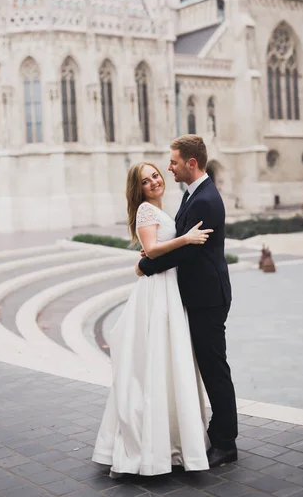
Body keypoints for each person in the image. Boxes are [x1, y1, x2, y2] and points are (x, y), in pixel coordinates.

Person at [92, 162, 213, 477]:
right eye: (146, 181)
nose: (154, 182)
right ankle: (150, 445)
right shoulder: (146, 211)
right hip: (157, 290)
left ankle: (171, 438)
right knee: (156, 361)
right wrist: (185, 239)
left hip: (167, 286)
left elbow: (150, 252)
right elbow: (152, 248)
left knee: (167, 360)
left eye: (156, 175)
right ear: (139, 189)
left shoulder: (158, 211)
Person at [137, 135, 238, 468]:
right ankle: (218, 431)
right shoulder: (194, 194)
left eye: (174, 162)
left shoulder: (205, 200)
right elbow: (178, 241)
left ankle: (226, 442)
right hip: (200, 295)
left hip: (207, 298)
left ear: (191, 164)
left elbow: (189, 252)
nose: (169, 167)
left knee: (214, 369)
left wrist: (145, 265)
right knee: (210, 367)